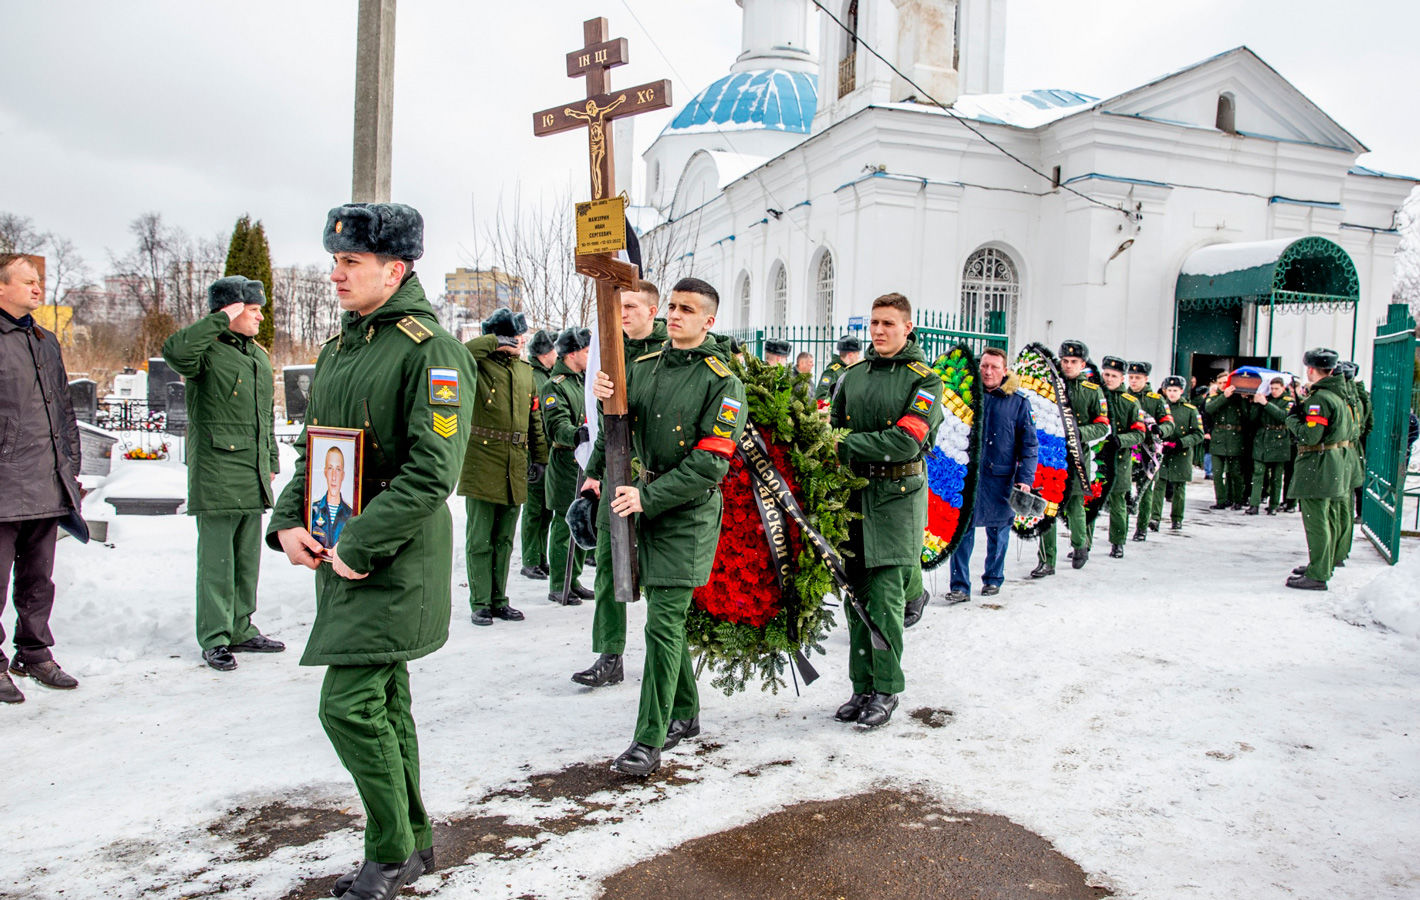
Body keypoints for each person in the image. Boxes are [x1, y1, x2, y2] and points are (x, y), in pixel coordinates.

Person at [268, 202, 473, 899]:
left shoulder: (430, 350)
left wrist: (358, 543)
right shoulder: (344, 346)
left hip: (392, 558)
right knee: (384, 701)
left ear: (396, 268)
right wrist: (288, 519)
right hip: (341, 550)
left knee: (348, 706)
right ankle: (413, 844)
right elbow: (315, 449)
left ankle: (388, 851)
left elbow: (431, 474)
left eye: (350, 262)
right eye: (335, 261)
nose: (336, 274)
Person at [589, 277, 745, 775]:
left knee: (661, 624)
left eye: (687, 309)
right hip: (643, 507)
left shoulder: (723, 380)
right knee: (664, 619)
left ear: (709, 321)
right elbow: (620, 426)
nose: (675, 315)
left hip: (686, 513)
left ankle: (648, 740)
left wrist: (648, 496)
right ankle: (686, 711)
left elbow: (710, 463)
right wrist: (604, 397)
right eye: (673, 307)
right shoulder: (645, 365)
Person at [830, 292, 942, 728]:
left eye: (888, 324)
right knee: (854, 596)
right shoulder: (852, 376)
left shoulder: (924, 380)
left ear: (907, 327)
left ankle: (886, 689)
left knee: (884, 599)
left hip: (897, 499)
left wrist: (846, 445)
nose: (878, 331)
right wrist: (839, 445)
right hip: (854, 497)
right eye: (874, 323)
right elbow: (832, 428)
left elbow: (906, 441)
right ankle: (861, 687)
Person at [162, 275, 283, 672]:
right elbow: (175, 352)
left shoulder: (257, 356)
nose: (260, 318)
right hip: (217, 472)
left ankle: (241, 628)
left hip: (250, 472)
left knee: (247, 560)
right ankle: (215, 637)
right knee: (217, 563)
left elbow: (264, 417)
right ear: (230, 311)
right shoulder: (207, 351)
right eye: (252, 310)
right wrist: (219, 319)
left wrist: (270, 462)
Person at [0, 253, 86, 704]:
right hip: (4, 482)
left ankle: (33, 654)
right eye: (28, 281)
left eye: (39, 282)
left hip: (47, 481)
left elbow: (63, 410)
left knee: (39, 579)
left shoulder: (44, 339)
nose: (38, 289)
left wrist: (69, 464)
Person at [575, 281, 667, 688]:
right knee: (610, 570)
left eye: (631, 305)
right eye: (619, 307)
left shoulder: (673, 353)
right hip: (616, 477)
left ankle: (671, 664)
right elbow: (609, 430)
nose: (623, 312)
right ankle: (609, 655)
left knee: (663, 578)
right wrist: (592, 477)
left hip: (656, 482)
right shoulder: (612, 353)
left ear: (652, 310)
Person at [459, 307, 548, 626]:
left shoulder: (525, 372)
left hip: (515, 459)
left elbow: (535, 417)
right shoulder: (477, 365)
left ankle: (499, 599)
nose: (520, 342)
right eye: (514, 336)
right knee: (480, 537)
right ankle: (480, 601)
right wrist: (493, 342)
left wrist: (540, 457)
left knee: (504, 539)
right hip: (482, 458)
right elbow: (460, 354)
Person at [946, 347, 1036, 602]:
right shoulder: (967, 397)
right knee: (963, 531)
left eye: (994, 367)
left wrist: (1025, 480)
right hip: (970, 478)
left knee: (999, 532)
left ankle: (993, 579)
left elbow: (1029, 446)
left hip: (1001, 479)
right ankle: (960, 586)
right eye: (984, 365)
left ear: (1005, 371)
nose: (988, 371)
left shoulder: (1018, 403)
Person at [1033, 340, 1111, 576]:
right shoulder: (1048, 387)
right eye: (1064, 361)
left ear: (1083, 364)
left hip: (1077, 457)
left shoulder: (1092, 391)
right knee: (1048, 508)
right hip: (1051, 458)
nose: (1067, 365)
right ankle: (1047, 561)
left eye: (1073, 362)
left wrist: (1077, 434)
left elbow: (1103, 426)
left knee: (1075, 505)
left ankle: (1080, 545)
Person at [1283, 348, 1356, 590]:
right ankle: (1322, 564)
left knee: (1317, 520)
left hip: (1319, 464)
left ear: (1312, 369)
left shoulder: (1321, 399)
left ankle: (1318, 573)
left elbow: (1310, 436)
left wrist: (1293, 419)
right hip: (1333, 461)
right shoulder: (1337, 396)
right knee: (1329, 517)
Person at [543, 326, 593, 606]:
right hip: (566, 463)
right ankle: (559, 582)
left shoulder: (582, 381)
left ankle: (573, 579)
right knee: (565, 525)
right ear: (572, 354)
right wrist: (577, 433)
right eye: (586, 352)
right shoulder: (556, 385)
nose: (589, 356)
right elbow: (556, 425)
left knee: (583, 520)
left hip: (584, 462)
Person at [519, 329, 558, 580]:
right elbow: (532, 421)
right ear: (545, 353)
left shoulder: (546, 375)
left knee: (546, 510)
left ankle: (541, 558)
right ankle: (531, 559)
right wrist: (535, 458)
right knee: (534, 510)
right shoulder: (533, 376)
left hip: (546, 452)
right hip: (535, 454)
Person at [1097, 357, 1146, 558]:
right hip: (1096, 459)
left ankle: (1118, 542)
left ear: (1122, 378)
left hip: (1119, 460)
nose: (1109, 379)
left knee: (1118, 504)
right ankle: (1083, 544)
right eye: (1106, 374)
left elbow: (1140, 433)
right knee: (1090, 501)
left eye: (1113, 376)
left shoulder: (1130, 402)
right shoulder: (1095, 395)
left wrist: (1121, 440)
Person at [1127, 361, 1175, 541]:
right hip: (1128, 449)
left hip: (1148, 451)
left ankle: (1141, 528)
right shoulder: (1124, 395)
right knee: (1123, 490)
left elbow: (1168, 422)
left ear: (1146, 379)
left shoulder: (1156, 400)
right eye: (1131, 377)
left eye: (1137, 378)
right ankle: (1120, 529)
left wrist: (1161, 430)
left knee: (1145, 490)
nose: (1133, 381)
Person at [1156, 376, 1204, 530]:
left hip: (1181, 453)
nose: (1172, 393)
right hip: (1162, 451)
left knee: (1179, 488)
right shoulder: (1161, 407)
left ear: (1181, 391)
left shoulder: (1190, 410)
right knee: (1159, 485)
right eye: (1169, 390)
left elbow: (1198, 434)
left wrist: (1180, 443)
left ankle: (1177, 518)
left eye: (1175, 390)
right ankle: (1154, 517)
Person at [1246, 377, 1293, 515]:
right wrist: (1256, 404)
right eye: (1272, 388)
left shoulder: (1288, 401)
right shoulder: (1266, 398)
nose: (1274, 391)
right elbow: (1253, 419)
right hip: (1263, 438)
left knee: (1277, 476)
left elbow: (1283, 416)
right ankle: (1254, 504)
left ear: (1283, 388)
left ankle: (1274, 505)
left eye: (1277, 389)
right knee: (1258, 474)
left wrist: (1266, 404)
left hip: (1279, 439)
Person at [1204, 378, 1249, 509]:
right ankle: (1221, 500)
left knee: (1234, 472)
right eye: (1221, 383)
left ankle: (1237, 499)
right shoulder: (1214, 396)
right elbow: (1209, 408)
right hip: (1219, 437)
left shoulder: (1238, 398)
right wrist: (1224, 397)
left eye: (1226, 382)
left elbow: (1247, 415)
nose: (1223, 385)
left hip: (1235, 438)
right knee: (1217, 473)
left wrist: (1243, 398)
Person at [309, 446, 354, 549]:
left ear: (343, 475)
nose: (334, 477)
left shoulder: (350, 514)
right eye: (330, 468)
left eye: (338, 469)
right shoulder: (313, 510)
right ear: (325, 472)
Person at [815, 334, 862, 403]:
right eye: (858, 354)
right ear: (850, 355)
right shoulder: (832, 372)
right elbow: (821, 398)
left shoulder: (848, 370)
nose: (858, 357)